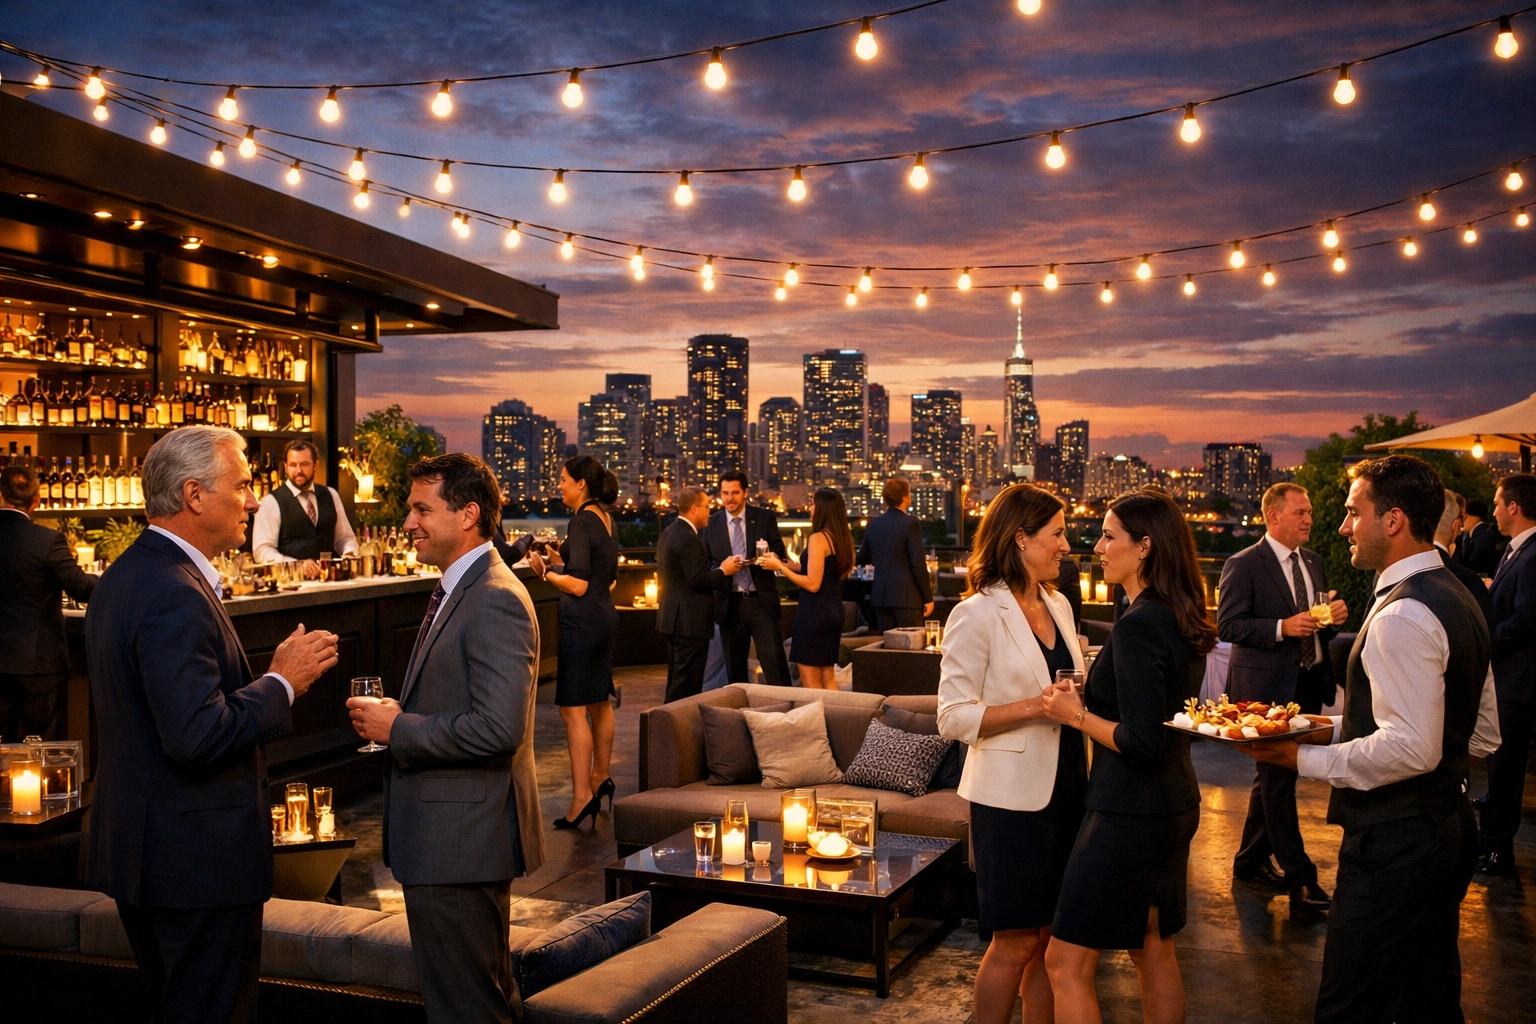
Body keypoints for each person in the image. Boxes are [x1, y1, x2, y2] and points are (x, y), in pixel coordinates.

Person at [85, 426, 338, 1023]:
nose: (253, 500)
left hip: (149, 854)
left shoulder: (128, 574)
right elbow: (196, 735)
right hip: (194, 863)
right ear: (194, 495)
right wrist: (281, 683)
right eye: (242, 486)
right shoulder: (173, 590)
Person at [1238, 455, 1499, 1023]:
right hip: (1449, 830)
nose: (1342, 526)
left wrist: (1297, 756)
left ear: (1393, 520)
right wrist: (1318, 726)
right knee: (1430, 999)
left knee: (1350, 1004)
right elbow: (1480, 733)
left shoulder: (1402, 614)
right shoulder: (1459, 594)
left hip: (1395, 843)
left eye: (1354, 513)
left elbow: (1411, 746)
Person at [347, 452, 544, 1024]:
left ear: (468, 515)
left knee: (466, 1009)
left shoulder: (494, 596)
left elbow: (499, 728)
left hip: (460, 844)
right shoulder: (464, 588)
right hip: (453, 841)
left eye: (421, 509)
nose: (409, 522)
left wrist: (398, 728)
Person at [1040, 487, 1217, 1024]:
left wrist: (1075, 714)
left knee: (1065, 962)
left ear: (1145, 547)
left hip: (1130, 812)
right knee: (1152, 946)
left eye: (1108, 536)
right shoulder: (1176, 614)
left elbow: (1142, 741)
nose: (1097, 547)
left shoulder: (1141, 623)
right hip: (1174, 804)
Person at [937, 483, 1087, 1024]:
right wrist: (1036, 706)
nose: (1066, 546)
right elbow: (952, 717)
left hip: (1070, 787)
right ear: (1021, 538)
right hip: (1009, 803)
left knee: (1049, 939)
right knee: (1016, 942)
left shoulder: (1059, 603)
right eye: (1057, 534)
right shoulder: (975, 613)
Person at [1217, 482, 1346, 914]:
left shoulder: (1313, 562)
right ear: (1273, 515)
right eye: (1300, 512)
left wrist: (1331, 619)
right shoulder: (1243, 563)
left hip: (1307, 683)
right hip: (1266, 691)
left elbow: (1316, 625)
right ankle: (1300, 877)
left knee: (1275, 777)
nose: (1309, 519)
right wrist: (1281, 627)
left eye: (1309, 512)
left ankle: (1249, 861)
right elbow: (1228, 626)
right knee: (1277, 780)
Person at [530, 455, 620, 829]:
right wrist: (560, 559)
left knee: (572, 710)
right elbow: (604, 577)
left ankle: (582, 797)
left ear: (581, 483)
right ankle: (601, 776)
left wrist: (546, 573)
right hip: (604, 617)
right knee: (599, 702)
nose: (560, 485)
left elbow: (579, 585)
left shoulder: (580, 521)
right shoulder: (606, 518)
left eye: (564, 479)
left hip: (582, 623)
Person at [0, 462, 97, 742]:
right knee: (42, 746)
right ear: (36, 500)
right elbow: (80, 587)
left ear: (1, 496)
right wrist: (113, 580)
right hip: (39, 662)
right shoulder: (47, 541)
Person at [1478, 472, 1536, 876]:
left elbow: (1528, 619)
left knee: (1506, 768)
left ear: (1514, 507)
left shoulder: (1531, 555)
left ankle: (1499, 851)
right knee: (1501, 766)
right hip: (1512, 679)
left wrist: (1486, 639)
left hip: (1518, 681)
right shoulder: (1518, 551)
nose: (1494, 511)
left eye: (1498, 503)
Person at [655, 487, 744, 703]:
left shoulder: (669, 532)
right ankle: (675, 723)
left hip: (674, 619)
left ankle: (667, 722)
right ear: (694, 508)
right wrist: (724, 570)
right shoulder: (688, 538)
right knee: (687, 683)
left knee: (677, 679)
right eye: (706, 507)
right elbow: (698, 580)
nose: (709, 513)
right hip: (689, 622)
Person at [760, 488, 855, 690]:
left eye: (813, 504)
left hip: (815, 613)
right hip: (833, 611)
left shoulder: (818, 538)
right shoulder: (839, 538)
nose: (810, 508)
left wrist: (780, 569)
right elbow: (814, 568)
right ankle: (840, 710)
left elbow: (812, 583)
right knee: (828, 676)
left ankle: (819, 712)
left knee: (809, 678)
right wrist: (782, 562)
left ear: (823, 509)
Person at [705, 470, 791, 688]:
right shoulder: (711, 523)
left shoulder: (764, 518)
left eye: (734, 493)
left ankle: (788, 706)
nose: (729, 498)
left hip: (761, 602)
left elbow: (780, 553)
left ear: (745, 493)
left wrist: (766, 557)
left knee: (774, 664)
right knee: (735, 671)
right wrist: (723, 569)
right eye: (725, 493)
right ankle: (741, 708)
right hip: (729, 604)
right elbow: (706, 562)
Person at [251, 439, 359, 577]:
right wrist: (297, 565)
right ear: (285, 467)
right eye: (293, 465)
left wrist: (349, 553)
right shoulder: (270, 502)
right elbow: (262, 550)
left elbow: (344, 538)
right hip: (292, 583)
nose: (298, 471)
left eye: (304, 464)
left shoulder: (331, 495)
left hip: (330, 580)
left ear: (315, 465)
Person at [857, 477, 934, 630]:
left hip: (881, 598)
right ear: (905, 497)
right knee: (910, 643)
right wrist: (928, 597)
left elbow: (862, 557)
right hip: (907, 599)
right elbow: (918, 564)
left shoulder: (874, 524)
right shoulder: (910, 523)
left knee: (887, 643)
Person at [1435, 490, 1492, 628]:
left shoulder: (1397, 568)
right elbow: (1486, 630)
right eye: (1462, 518)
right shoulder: (1469, 581)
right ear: (1455, 526)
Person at [1454, 497, 1502, 576]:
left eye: (1464, 516)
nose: (1462, 520)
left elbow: (1473, 565)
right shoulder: (1469, 536)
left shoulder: (1485, 537)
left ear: (1474, 517)